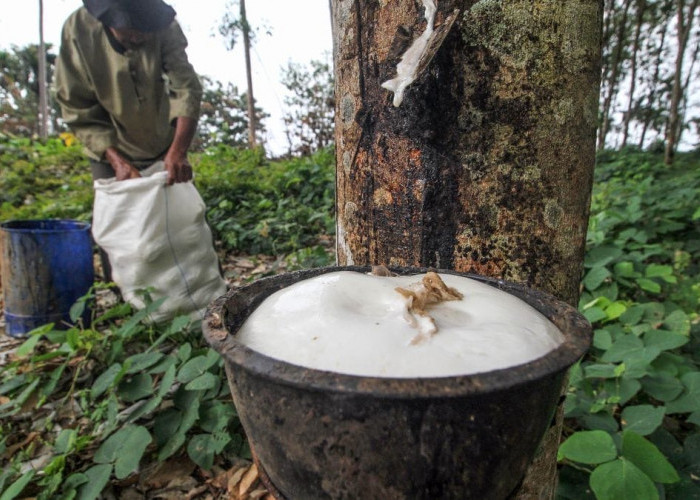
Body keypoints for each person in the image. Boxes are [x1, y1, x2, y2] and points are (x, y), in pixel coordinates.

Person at [54, 0, 202, 185]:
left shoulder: (165, 25)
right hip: (110, 149)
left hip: (164, 145)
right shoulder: (78, 30)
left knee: (175, 210)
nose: (140, 37)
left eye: (146, 29)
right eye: (131, 30)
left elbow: (186, 87)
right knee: (120, 210)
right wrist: (115, 160)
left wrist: (178, 151)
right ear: (108, 20)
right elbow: (76, 104)